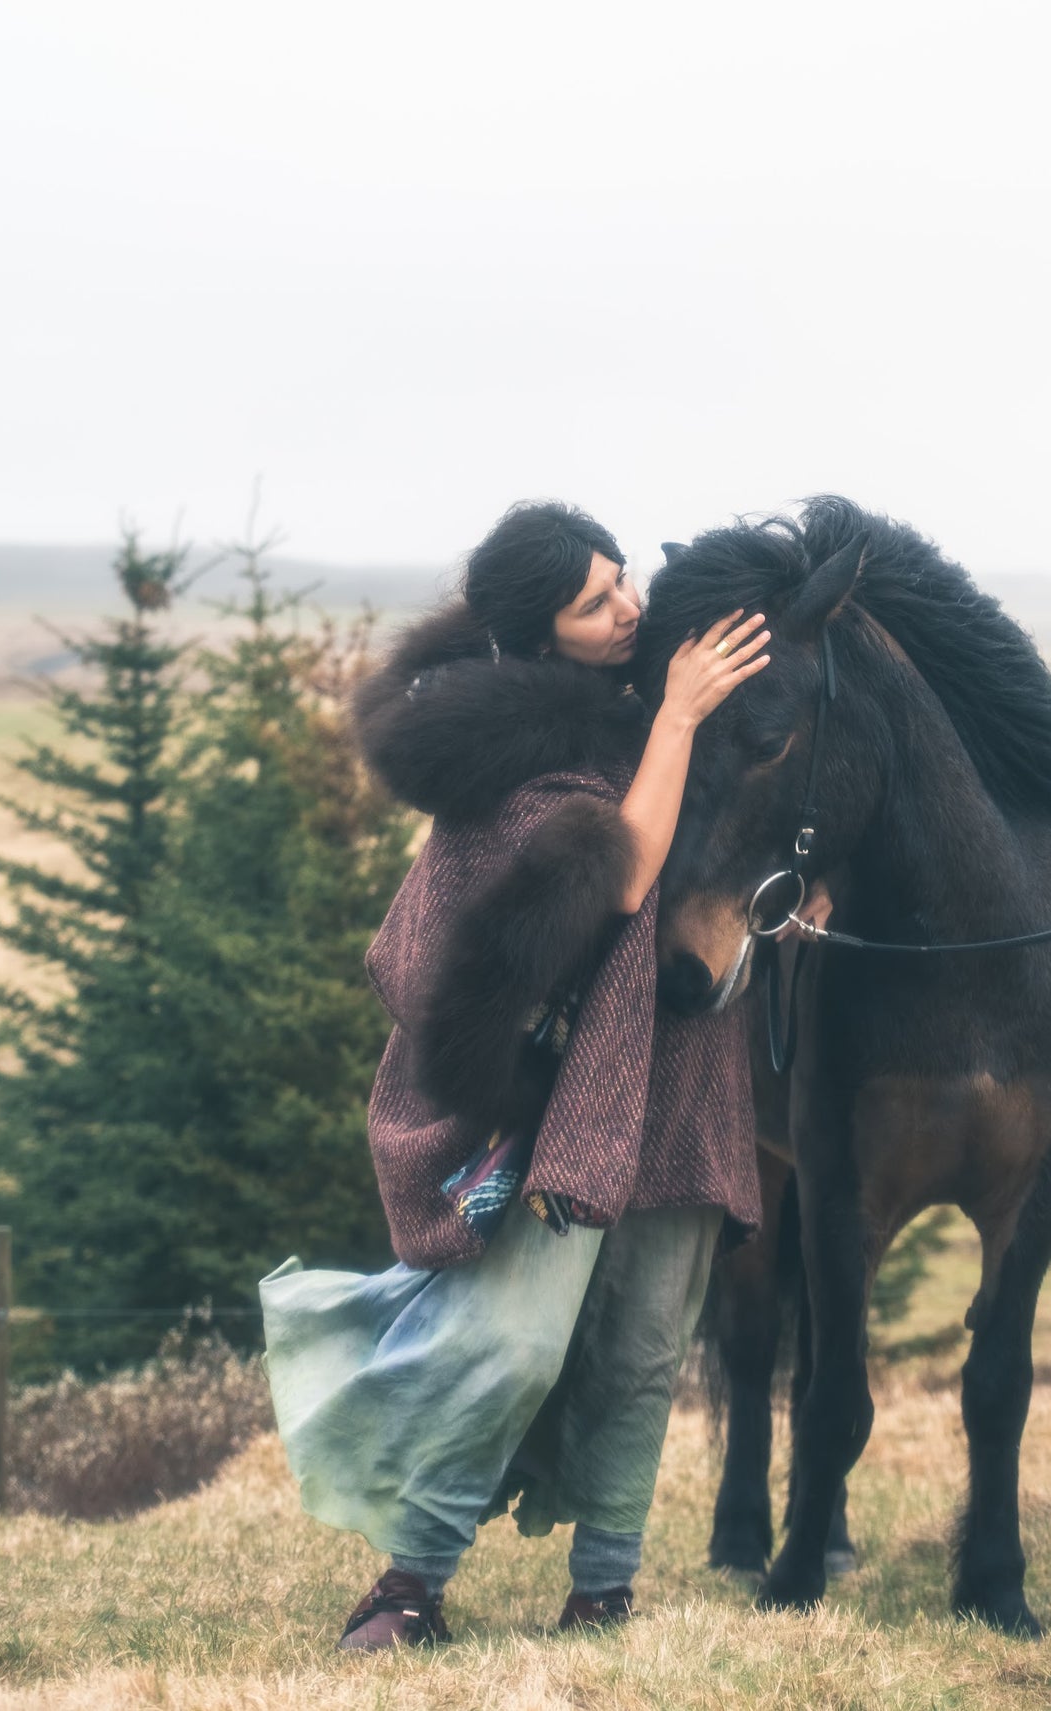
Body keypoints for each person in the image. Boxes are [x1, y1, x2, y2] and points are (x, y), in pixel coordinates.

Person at [260, 501, 784, 1652]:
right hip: (559, 1100)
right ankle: (411, 1585)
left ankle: (604, 1591)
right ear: (538, 632)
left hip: (680, 1064)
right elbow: (622, 870)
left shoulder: (642, 699)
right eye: (595, 599)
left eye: (623, 579)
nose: (628, 608)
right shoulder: (504, 745)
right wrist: (682, 716)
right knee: (513, 1340)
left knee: (645, 1347)